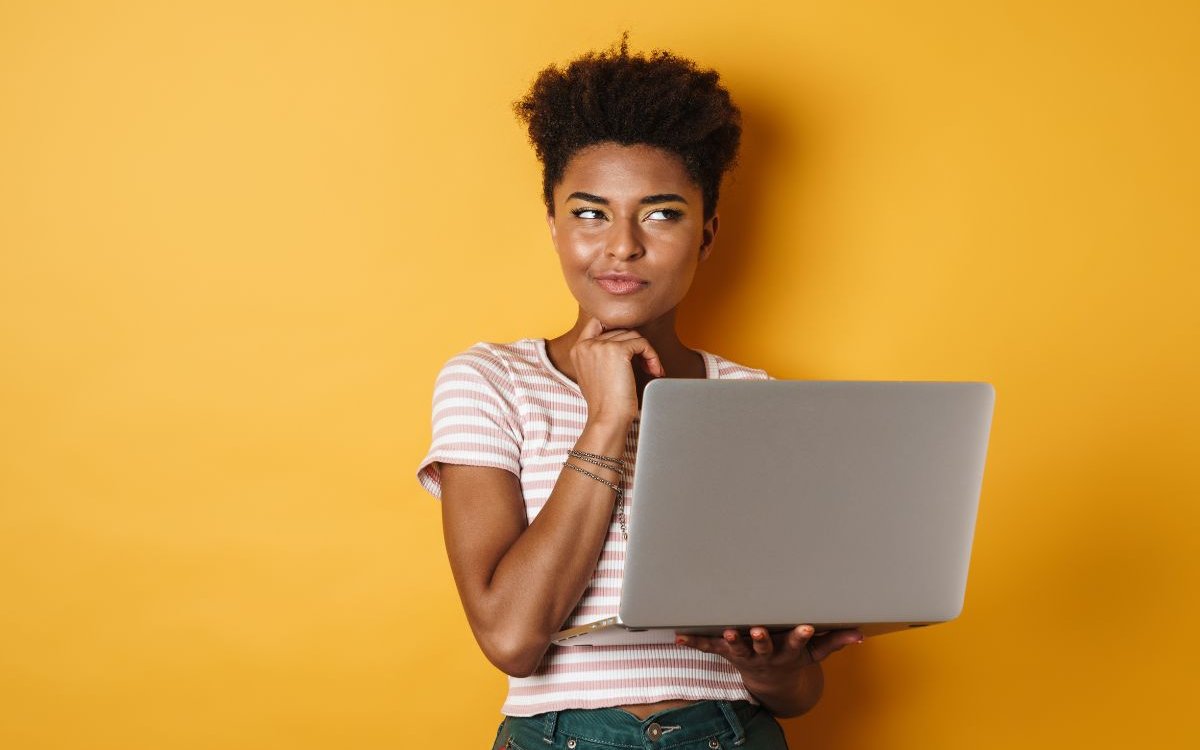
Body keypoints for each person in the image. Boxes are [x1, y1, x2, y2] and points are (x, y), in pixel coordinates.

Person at [417, 36, 865, 750]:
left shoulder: (753, 398)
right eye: (590, 213)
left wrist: (779, 667)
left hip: (731, 733)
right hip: (560, 736)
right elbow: (510, 638)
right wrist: (608, 418)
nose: (621, 245)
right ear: (555, 226)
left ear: (707, 233)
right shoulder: (491, 381)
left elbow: (800, 694)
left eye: (661, 213)